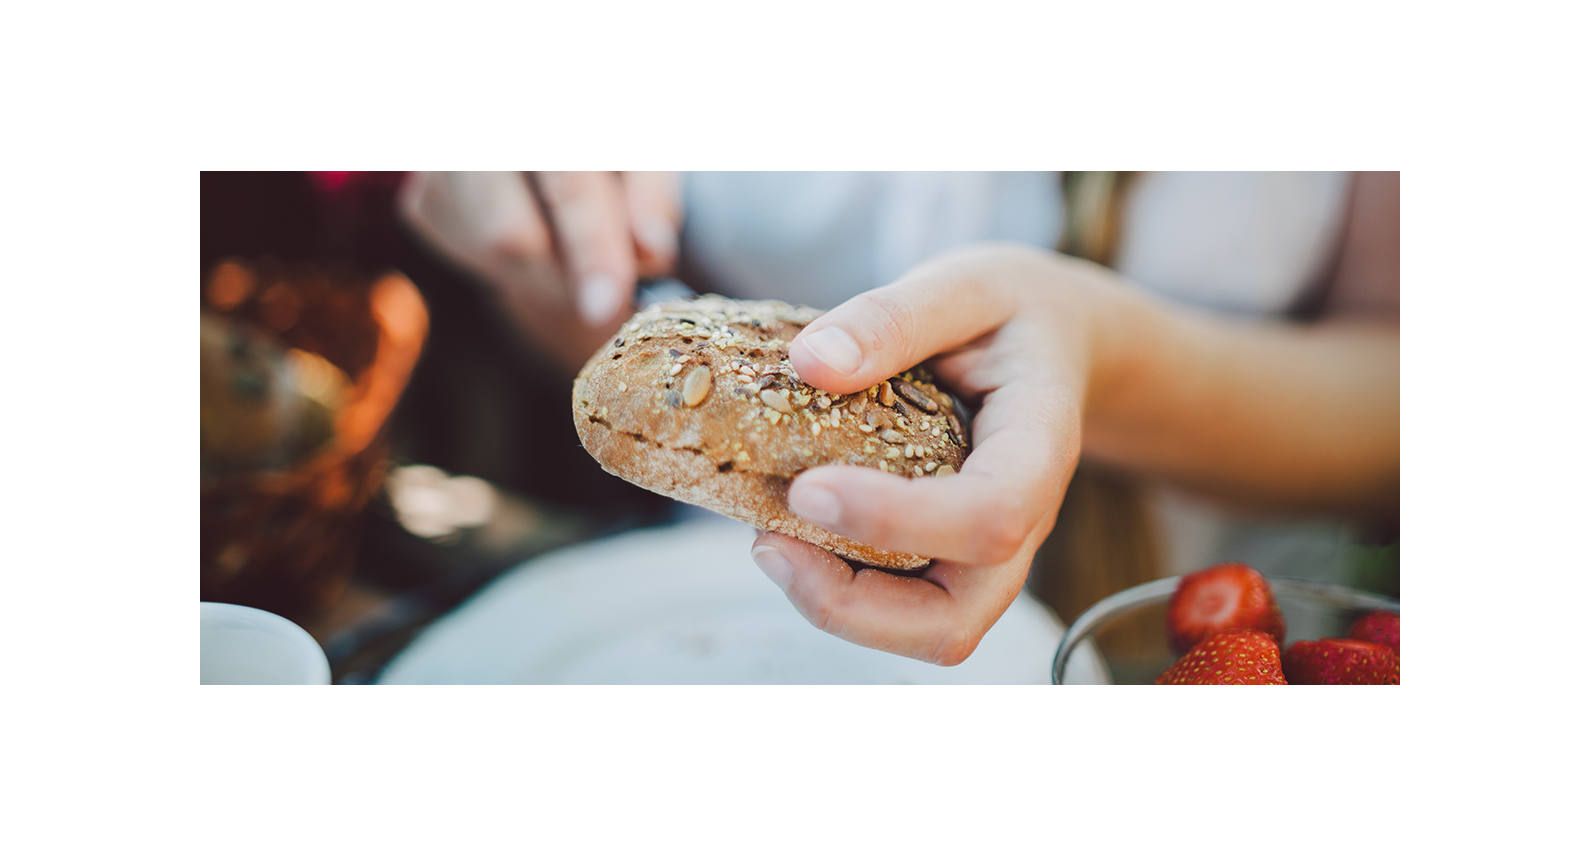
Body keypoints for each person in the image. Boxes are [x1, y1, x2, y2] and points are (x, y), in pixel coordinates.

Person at [400, 171, 1399, 665]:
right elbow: (623, 368)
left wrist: (1095, 359)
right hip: (704, 626)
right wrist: (542, 232)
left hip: (1186, 664)